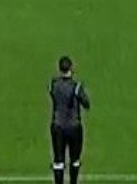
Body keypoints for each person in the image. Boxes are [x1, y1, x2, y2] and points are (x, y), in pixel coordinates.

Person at [49, 56, 90, 184]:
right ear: (71, 68)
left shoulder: (53, 85)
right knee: (75, 159)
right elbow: (86, 104)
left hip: (58, 126)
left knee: (58, 160)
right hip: (74, 127)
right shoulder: (76, 87)